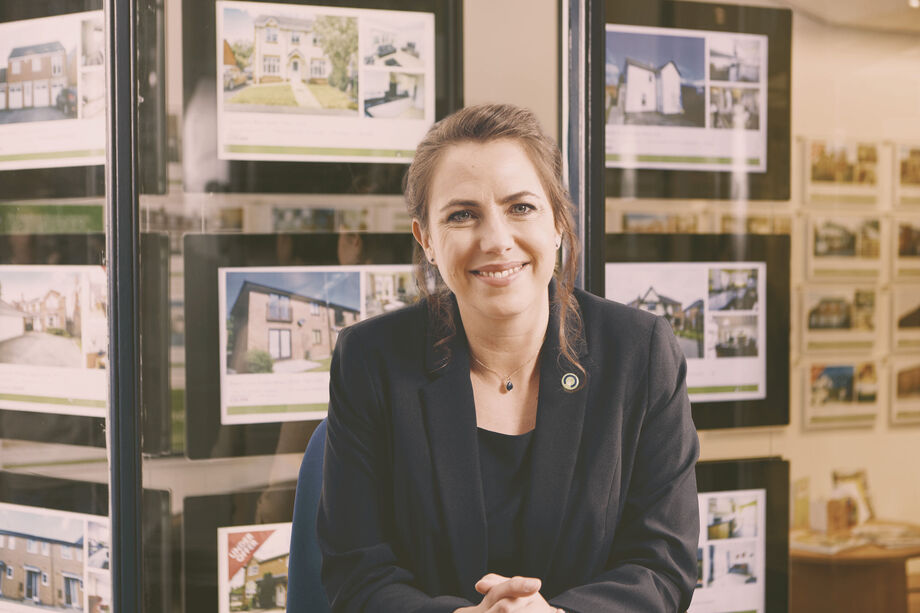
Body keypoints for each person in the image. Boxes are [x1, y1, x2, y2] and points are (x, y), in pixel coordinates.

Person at [313, 104, 700, 612]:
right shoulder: (370, 361)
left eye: (521, 208)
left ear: (559, 222)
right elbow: (355, 571)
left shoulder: (640, 352)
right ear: (426, 239)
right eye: (462, 214)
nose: (497, 240)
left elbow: (664, 562)